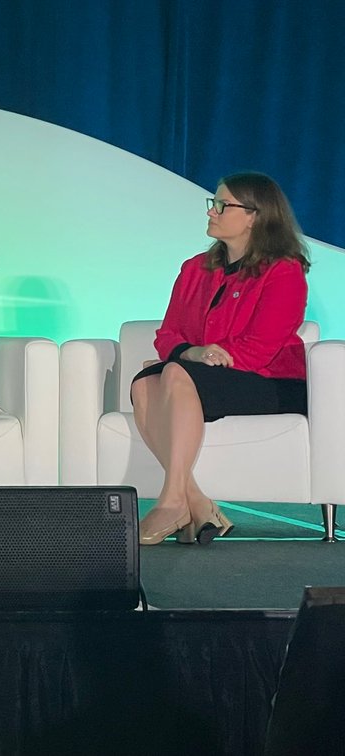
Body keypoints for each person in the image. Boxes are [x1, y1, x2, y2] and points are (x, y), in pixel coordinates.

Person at [132, 172, 310, 546]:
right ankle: (194, 501)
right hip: (208, 374)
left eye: (222, 205)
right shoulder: (195, 269)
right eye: (213, 203)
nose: (212, 212)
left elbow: (262, 347)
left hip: (271, 382)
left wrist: (200, 362)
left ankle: (173, 499)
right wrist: (193, 353)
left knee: (175, 374)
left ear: (254, 216)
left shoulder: (284, 271)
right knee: (147, 378)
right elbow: (167, 334)